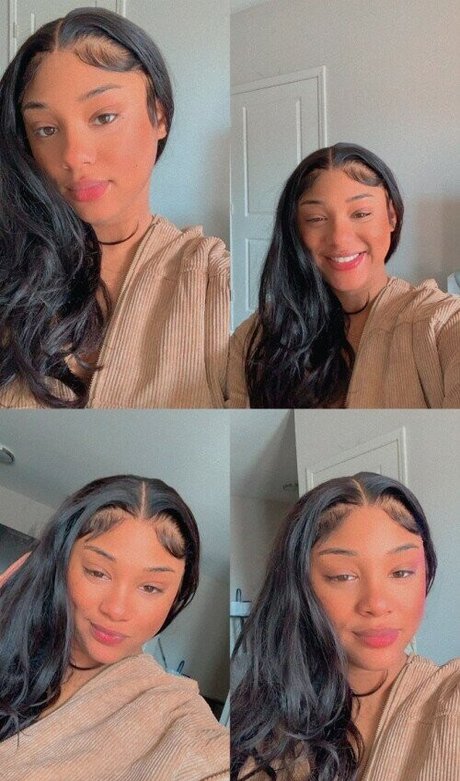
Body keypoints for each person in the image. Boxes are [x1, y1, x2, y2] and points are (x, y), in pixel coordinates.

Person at [0, 8, 229, 409]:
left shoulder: (214, 279)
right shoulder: (11, 273)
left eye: (104, 117)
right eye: (46, 129)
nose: (73, 156)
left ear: (159, 115)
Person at [231, 472, 459, 780]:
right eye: (343, 576)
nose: (377, 604)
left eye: (402, 572)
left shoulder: (449, 701)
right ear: (300, 587)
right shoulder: (265, 719)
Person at [0, 475, 229, 780]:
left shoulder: (177, 720)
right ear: (59, 564)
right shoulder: (12, 639)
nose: (116, 609)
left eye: (150, 588)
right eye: (97, 573)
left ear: (176, 595)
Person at [227, 143, 460, 408]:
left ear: (391, 216)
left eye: (361, 214)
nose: (339, 239)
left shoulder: (441, 323)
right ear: (295, 230)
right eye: (316, 219)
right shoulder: (257, 337)